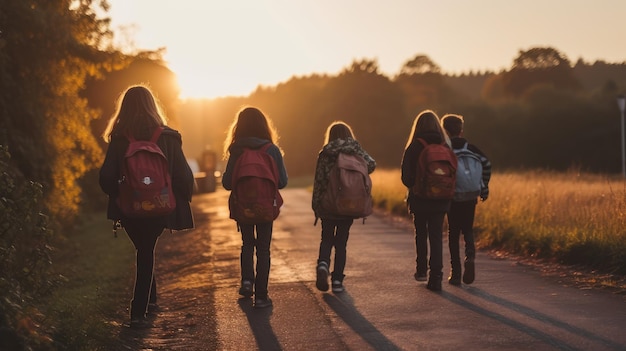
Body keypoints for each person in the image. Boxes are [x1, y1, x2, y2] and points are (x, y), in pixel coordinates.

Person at [99, 85, 195, 327]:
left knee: (143, 249)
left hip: (129, 207)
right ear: (153, 106)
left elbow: (106, 179)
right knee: (146, 249)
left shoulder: (120, 139)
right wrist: (179, 198)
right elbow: (185, 177)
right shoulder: (169, 137)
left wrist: (121, 193)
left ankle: (144, 306)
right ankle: (141, 310)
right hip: (160, 205)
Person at [222, 106, 288, 309]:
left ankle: (247, 282)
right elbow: (283, 181)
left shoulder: (237, 150)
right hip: (266, 208)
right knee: (264, 250)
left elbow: (227, 183)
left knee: (247, 245)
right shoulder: (271, 150)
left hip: (244, 207)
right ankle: (261, 296)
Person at [311, 121, 376, 293]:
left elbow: (319, 181)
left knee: (326, 238)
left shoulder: (325, 153)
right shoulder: (355, 150)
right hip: (350, 203)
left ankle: (323, 264)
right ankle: (338, 280)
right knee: (341, 242)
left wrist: (316, 205)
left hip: (328, 204)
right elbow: (371, 165)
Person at [401, 110, 452, 291]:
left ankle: (422, 271)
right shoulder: (445, 145)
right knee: (436, 237)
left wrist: (416, 184)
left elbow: (405, 178)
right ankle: (436, 277)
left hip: (420, 199)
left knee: (421, 235)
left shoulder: (414, 146)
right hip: (441, 199)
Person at [442, 114, 491, 286]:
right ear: (461, 130)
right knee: (468, 229)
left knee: (453, 233)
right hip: (471, 195)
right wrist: (484, 187)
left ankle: (455, 273)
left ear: (445, 131)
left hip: (453, 196)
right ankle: (470, 255)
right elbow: (487, 164)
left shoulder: (445, 148)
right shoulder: (472, 148)